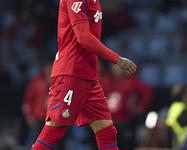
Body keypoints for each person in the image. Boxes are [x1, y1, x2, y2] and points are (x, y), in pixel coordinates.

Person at [31, 0, 137, 150]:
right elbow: (83, 37)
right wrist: (117, 60)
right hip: (72, 72)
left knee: (106, 131)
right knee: (55, 128)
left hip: (88, 76)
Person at [98, 63, 154, 150]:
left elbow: (147, 92)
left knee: (127, 145)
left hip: (126, 121)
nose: (116, 70)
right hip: (109, 123)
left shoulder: (131, 81)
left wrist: (141, 106)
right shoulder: (107, 80)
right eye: (114, 67)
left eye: (118, 67)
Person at [165, 84, 187, 149]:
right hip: (183, 144)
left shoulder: (174, 107)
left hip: (178, 143)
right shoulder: (183, 110)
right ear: (184, 97)